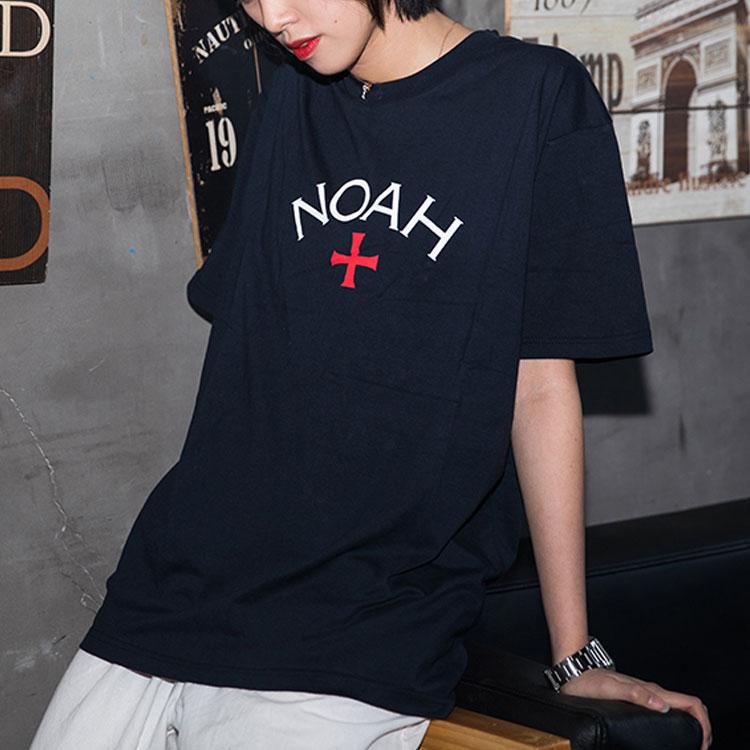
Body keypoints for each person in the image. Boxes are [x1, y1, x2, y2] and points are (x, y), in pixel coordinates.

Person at [30, 1, 713, 748]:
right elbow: (252, 357)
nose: (272, 17)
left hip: (360, 625)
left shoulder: (534, 95)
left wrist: (574, 654)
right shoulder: (291, 95)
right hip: (171, 586)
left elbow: (541, 387)